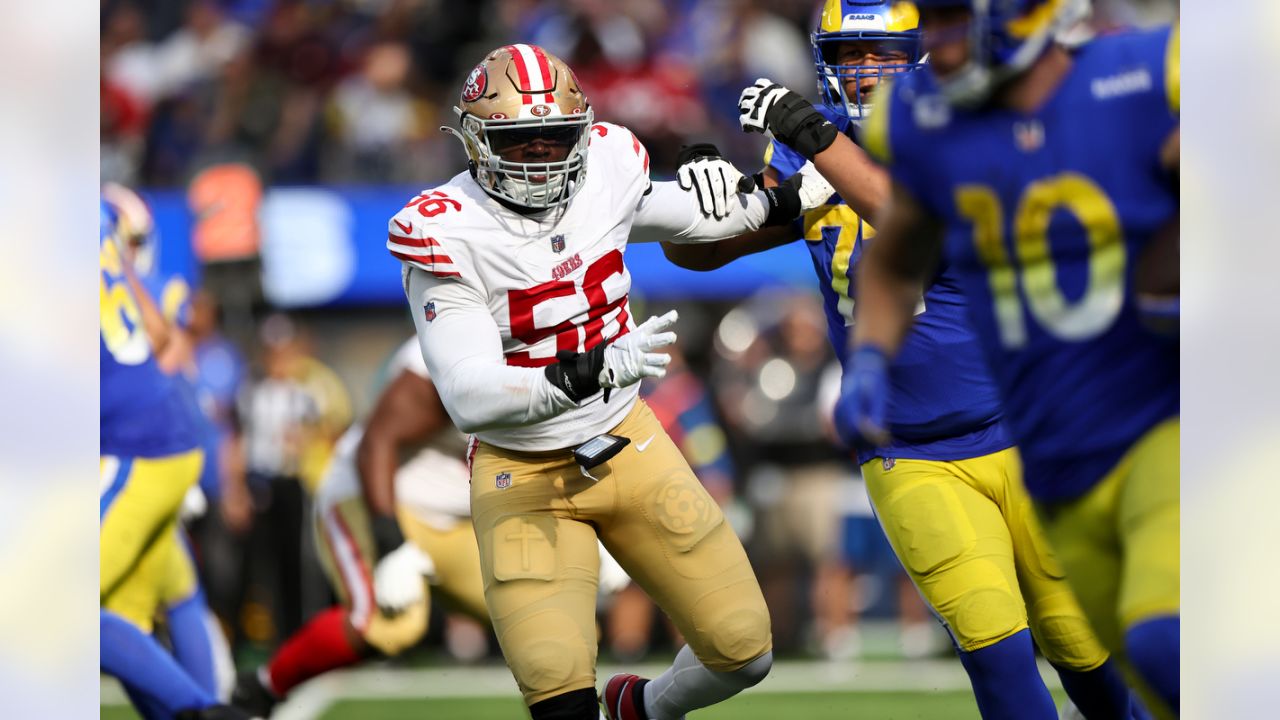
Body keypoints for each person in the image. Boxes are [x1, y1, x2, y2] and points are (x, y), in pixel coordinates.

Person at [668, 2, 1146, 718]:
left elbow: (907, 217)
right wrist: (698, 208)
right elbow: (705, 254)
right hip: (912, 448)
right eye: (849, 53)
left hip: (1024, 427)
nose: (864, 71)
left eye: (881, 53)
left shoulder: (957, 121)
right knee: (996, 647)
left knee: (1084, 646)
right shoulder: (811, 149)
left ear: (921, 52)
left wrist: (816, 137)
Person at [390, 43, 832, 720]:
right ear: (476, 141)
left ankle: (643, 710)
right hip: (521, 472)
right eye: (519, 140)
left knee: (746, 648)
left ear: (582, 131)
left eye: (555, 137)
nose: (541, 156)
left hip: (628, 438)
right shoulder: (445, 231)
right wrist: (581, 371)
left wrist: (755, 186)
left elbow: (694, 216)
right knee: (558, 690)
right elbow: (469, 396)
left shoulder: (610, 167)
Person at [100, 199, 248, 720]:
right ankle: (204, 705)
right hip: (162, 441)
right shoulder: (93, 218)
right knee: (150, 604)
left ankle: (207, 711)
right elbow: (165, 342)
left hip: (134, 448)